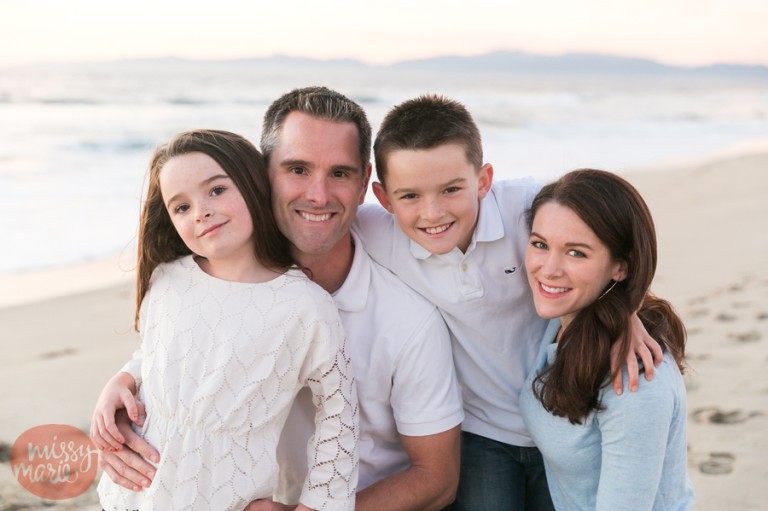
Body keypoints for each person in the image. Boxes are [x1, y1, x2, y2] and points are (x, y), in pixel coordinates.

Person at [93, 88, 464, 511]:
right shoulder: (210, 266)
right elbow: (186, 340)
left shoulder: (408, 322)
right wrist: (125, 383)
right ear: (262, 174)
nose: (318, 195)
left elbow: (437, 479)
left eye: (340, 174)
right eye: (298, 169)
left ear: (364, 184)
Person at [354, 95, 662, 510]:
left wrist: (628, 310)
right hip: (481, 432)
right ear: (383, 198)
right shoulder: (375, 233)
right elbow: (307, 232)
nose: (432, 213)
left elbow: (606, 249)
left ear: (483, 181)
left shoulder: (529, 208)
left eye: (451, 189)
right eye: (409, 196)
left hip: (563, 420)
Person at [92, 129, 359, 511]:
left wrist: (315, 506)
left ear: (252, 185)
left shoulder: (305, 306)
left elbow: (339, 413)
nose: (200, 211)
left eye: (217, 190)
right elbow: (156, 353)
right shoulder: (167, 279)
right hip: (131, 496)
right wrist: (123, 380)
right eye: (181, 207)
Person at [519, 168, 695, 510]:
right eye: (540, 244)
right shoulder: (559, 322)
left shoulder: (634, 380)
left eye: (576, 253)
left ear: (620, 267)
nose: (549, 269)